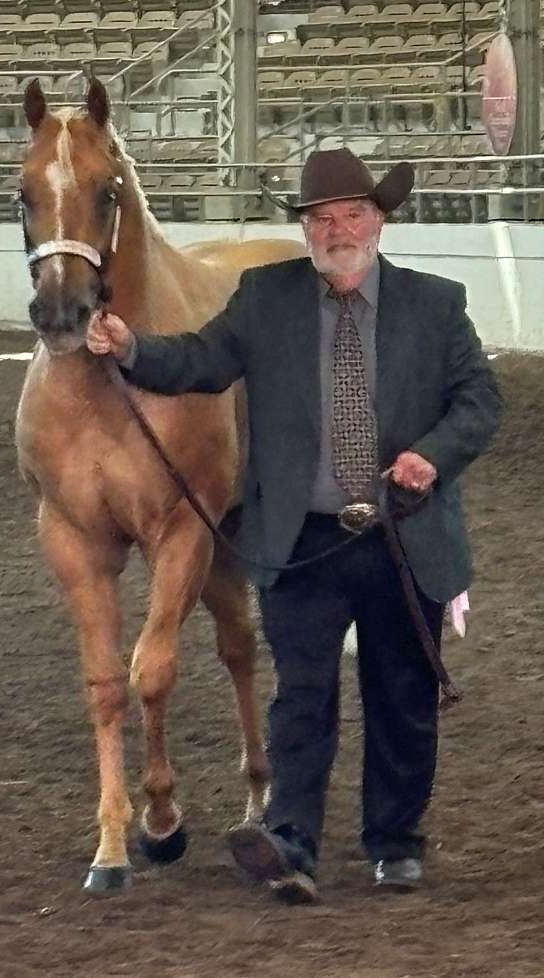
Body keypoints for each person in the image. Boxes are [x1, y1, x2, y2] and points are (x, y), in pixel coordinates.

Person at [86, 148, 502, 904]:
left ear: (378, 220)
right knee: (300, 698)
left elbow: (479, 402)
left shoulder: (436, 305)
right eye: (321, 218)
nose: (337, 229)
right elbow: (201, 361)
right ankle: (291, 841)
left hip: (402, 534)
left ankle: (395, 841)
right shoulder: (265, 297)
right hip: (301, 540)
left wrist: (431, 456)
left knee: (401, 693)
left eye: (351, 214)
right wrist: (132, 347)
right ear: (306, 229)